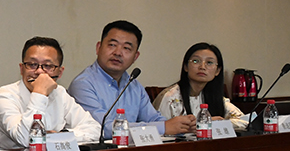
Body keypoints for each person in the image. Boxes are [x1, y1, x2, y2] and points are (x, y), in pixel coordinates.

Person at [67, 20, 196, 138]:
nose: (118, 53)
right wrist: (163, 128)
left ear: (135, 57)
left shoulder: (133, 85)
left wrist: (183, 125)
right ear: (98, 48)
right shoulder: (83, 84)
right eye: (112, 45)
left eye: (126, 48)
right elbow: (101, 128)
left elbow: (153, 118)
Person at [0, 36, 102, 147]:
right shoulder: (4, 96)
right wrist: (39, 93)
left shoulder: (60, 93)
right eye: (32, 64)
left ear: (60, 72)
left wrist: (59, 136)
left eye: (48, 66)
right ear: (22, 69)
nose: (39, 71)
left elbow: (95, 130)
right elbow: (27, 139)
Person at [153, 42, 249, 131]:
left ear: (217, 71)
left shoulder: (214, 96)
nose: (202, 67)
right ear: (186, 66)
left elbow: (245, 121)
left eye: (209, 63)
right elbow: (159, 130)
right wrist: (204, 124)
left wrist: (213, 123)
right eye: (196, 61)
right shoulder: (170, 98)